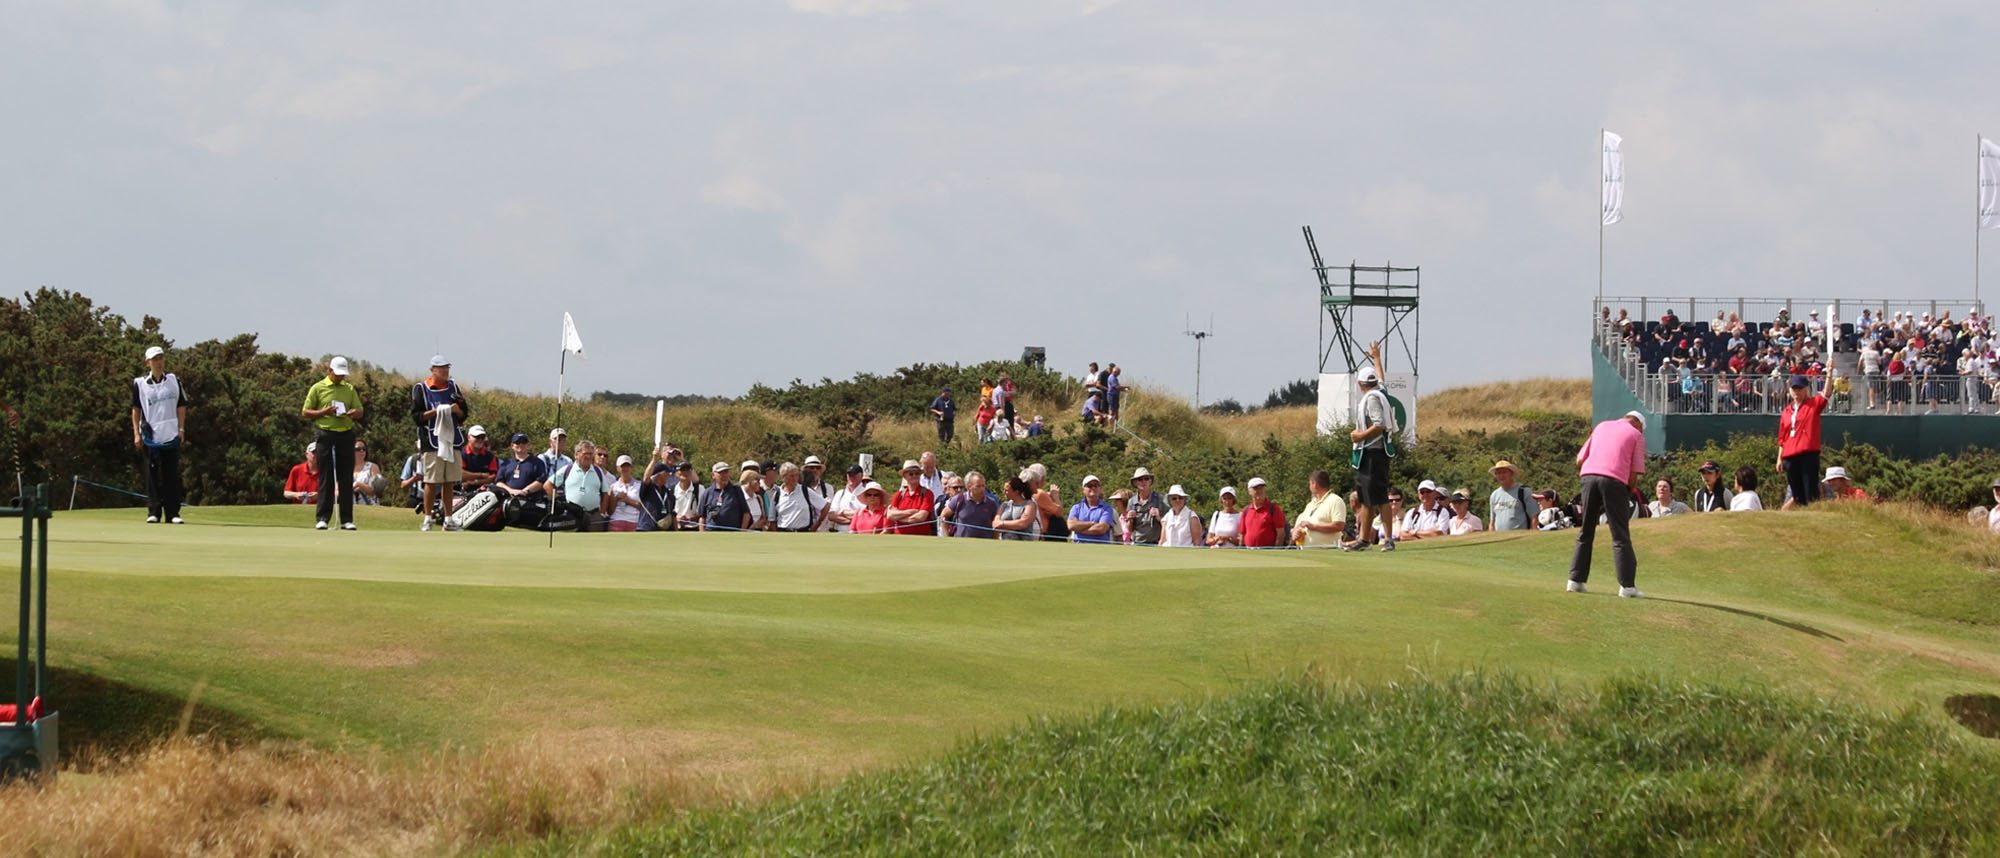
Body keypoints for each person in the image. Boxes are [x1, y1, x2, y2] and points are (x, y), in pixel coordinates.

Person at [1568, 410, 1648, 598]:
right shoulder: (1636, 435)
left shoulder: (1601, 426)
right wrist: (1627, 492)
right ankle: (1627, 587)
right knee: (1620, 533)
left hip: (1588, 477)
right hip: (1614, 481)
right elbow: (1634, 473)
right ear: (1638, 424)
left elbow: (1580, 459)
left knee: (1586, 530)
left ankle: (1575, 581)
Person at [300, 356, 364, 530]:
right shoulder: (318, 388)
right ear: (329, 371)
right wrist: (324, 411)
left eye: (343, 375)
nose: (340, 377)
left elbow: (360, 411)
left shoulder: (349, 388)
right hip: (325, 433)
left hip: (345, 433)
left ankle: (346, 519)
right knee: (326, 477)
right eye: (337, 374)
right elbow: (305, 412)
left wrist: (352, 413)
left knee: (345, 478)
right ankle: (322, 518)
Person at [130, 345, 188, 524]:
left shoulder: (173, 380)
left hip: (171, 434)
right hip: (151, 436)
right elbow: (136, 410)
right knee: (153, 475)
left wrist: (181, 429)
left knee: (171, 474)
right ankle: (154, 511)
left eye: (161, 358)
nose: (159, 362)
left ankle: (173, 513)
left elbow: (181, 405)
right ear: (148, 362)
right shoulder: (140, 384)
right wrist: (136, 434)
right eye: (155, 359)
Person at [410, 355, 470, 531]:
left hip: (452, 439)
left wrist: (457, 411)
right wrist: (436, 412)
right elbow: (417, 416)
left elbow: (464, 413)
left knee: (449, 481)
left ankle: (448, 518)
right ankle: (428, 518)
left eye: (446, 368)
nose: (445, 371)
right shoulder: (421, 388)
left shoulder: (453, 387)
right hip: (431, 440)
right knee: (431, 480)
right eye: (441, 368)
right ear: (433, 370)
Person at [1348, 341, 1397, 550]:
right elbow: (1382, 378)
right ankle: (1364, 539)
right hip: (1372, 453)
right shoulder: (1380, 391)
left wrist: (1360, 436)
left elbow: (1379, 424)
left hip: (1373, 453)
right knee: (1367, 498)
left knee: (1379, 497)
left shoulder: (1371, 399)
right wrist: (1376, 358)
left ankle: (1386, 539)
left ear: (1360, 384)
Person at [1776, 370, 1833, 510]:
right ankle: (1801, 513)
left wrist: (1829, 373)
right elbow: (1782, 437)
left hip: (1807, 453)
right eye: (1794, 389)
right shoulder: (1786, 411)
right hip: (1790, 455)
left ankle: (1812, 513)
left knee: (1810, 490)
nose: (1797, 392)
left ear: (1806, 389)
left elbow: (1826, 393)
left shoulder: (1813, 404)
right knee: (1796, 492)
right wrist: (1779, 458)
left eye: (1800, 389)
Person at [494, 432, 550, 528]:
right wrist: (511, 491)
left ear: (528, 445)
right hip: (508, 503)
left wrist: (524, 491)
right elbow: (498, 482)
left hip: (530, 503)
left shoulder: (537, 462)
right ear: (512, 446)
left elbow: (540, 482)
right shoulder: (506, 464)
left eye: (523, 442)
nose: (520, 445)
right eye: (517, 443)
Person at [552, 441, 611, 531]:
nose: (589, 456)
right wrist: (559, 500)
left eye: (591, 454)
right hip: (571, 515)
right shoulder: (568, 469)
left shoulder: (598, 471)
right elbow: (548, 485)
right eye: (586, 453)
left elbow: (605, 493)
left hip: (593, 516)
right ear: (576, 454)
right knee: (570, 542)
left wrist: (602, 512)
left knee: (595, 543)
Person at [1292, 470, 1347, 548]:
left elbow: (1339, 526)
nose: (1309, 487)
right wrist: (1296, 532)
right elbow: (1301, 523)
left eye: (1310, 484)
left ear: (1314, 484)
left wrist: (1314, 526)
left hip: (1327, 552)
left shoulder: (1335, 501)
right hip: (1307, 553)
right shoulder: (1311, 504)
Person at [766, 462, 825, 533]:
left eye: (796, 475)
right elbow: (772, 520)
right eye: (791, 476)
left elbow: (825, 506)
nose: (794, 478)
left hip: (803, 533)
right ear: (783, 477)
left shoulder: (805, 490)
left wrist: (817, 524)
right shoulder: (777, 495)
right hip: (783, 534)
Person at [699, 462, 753, 532]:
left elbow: (746, 514)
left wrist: (742, 532)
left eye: (726, 472)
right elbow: (702, 517)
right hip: (711, 533)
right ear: (713, 475)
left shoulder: (736, 490)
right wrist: (702, 534)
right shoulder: (707, 492)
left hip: (732, 533)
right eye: (720, 473)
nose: (724, 475)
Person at [944, 471, 1000, 538]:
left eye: (983, 486)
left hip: (985, 544)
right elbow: (944, 516)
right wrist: (947, 537)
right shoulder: (958, 499)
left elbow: (996, 525)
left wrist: (994, 541)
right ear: (969, 486)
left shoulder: (991, 503)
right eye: (978, 486)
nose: (982, 489)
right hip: (962, 543)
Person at [888, 460, 936, 536]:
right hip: (899, 537)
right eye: (911, 474)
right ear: (904, 476)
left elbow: (921, 517)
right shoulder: (899, 495)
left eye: (917, 473)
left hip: (921, 537)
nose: (914, 476)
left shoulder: (927, 494)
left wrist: (900, 518)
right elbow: (890, 515)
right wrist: (911, 512)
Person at [1123, 468, 1169, 545]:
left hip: (1155, 543)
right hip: (1136, 543)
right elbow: (1130, 529)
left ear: (1150, 481)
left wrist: (1159, 517)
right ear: (1135, 483)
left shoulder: (1160, 500)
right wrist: (1130, 519)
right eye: (1140, 479)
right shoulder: (1131, 502)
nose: (1143, 481)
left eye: (1146, 479)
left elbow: (1168, 524)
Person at [1485, 460, 1533, 531]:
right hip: (1501, 539)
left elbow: (1534, 517)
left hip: (1520, 538)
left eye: (1504, 472)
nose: (1501, 475)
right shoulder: (1494, 495)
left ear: (1511, 473)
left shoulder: (1524, 491)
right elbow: (1492, 522)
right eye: (1498, 473)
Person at [1238, 477, 1287, 548]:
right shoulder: (1246, 510)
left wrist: (1276, 551)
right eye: (1256, 488)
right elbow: (1242, 534)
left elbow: (1281, 533)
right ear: (1249, 491)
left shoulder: (1274, 509)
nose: (1259, 491)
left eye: (1261, 488)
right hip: (1248, 552)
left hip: (1268, 552)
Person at [1066, 474, 1116, 543]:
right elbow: (1071, 525)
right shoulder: (1076, 508)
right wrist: (1092, 523)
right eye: (1089, 486)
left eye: (1095, 485)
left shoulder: (1107, 508)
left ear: (1100, 489)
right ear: (1083, 490)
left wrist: (1079, 529)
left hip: (1101, 549)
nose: (1093, 488)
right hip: (1079, 548)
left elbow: (1101, 529)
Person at [995, 475, 1044, 540]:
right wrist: (1014, 526)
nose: (1004, 492)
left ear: (1016, 491)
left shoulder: (1029, 505)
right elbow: (995, 524)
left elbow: (1023, 523)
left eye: (1007, 490)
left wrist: (1002, 524)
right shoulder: (1004, 505)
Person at [606, 455, 645, 532]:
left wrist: (627, 500)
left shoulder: (640, 485)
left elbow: (644, 507)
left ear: (631, 468)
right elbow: (609, 511)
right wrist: (615, 499)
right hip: (616, 521)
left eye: (627, 466)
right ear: (618, 468)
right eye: (622, 466)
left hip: (634, 522)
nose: (625, 469)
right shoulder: (613, 486)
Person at [824, 465, 868, 533]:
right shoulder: (840, 493)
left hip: (860, 533)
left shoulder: (868, 493)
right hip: (840, 533)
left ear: (861, 476)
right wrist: (855, 518)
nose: (851, 477)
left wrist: (842, 512)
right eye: (849, 475)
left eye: (854, 475)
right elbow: (831, 515)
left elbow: (866, 516)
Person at [459, 426, 497, 494]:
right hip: (464, 492)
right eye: (477, 437)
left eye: (482, 437)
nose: (480, 440)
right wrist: (481, 475)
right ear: (469, 437)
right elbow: (461, 474)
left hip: (486, 492)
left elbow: (493, 477)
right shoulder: (461, 453)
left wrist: (474, 482)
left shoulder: (490, 456)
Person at [351, 439, 383, 505]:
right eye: (358, 449)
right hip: (349, 507)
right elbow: (336, 491)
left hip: (370, 507)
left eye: (364, 449)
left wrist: (358, 484)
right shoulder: (346, 469)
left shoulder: (373, 467)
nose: (362, 451)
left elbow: (377, 490)